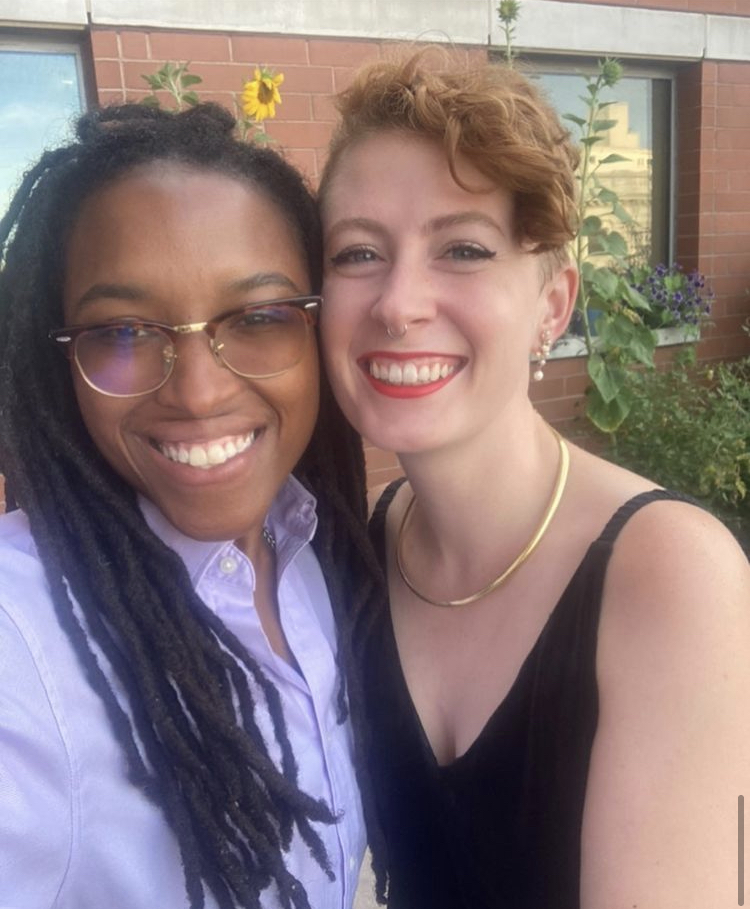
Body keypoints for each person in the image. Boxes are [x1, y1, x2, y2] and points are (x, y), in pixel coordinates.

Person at [319, 52, 750, 909]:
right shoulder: (364, 549)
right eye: (360, 252)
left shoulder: (668, 575)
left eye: (464, 249)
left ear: (553, 305)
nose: (399, 302)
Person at [0, 102, 382, 909]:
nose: (199, 392)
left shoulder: (320, 550)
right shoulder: (24, 643)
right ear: (59, 358)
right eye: (125, 331)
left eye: (261, 318)